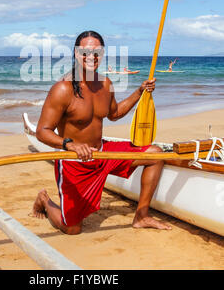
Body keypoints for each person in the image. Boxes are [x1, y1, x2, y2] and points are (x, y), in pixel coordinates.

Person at [32, 30, 171, 234]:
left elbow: (114, 114)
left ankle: (142, 216)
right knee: (72, 229)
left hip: (103, 153)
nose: (92, 56)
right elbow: (42, 131)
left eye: (97, 52)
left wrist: (139, 92)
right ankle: (45, 200)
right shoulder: (63, 89)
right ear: (76, 53)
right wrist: (70, 144)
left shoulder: (105, 84)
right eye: (86, 51)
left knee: (155, 154)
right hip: (74, 163)